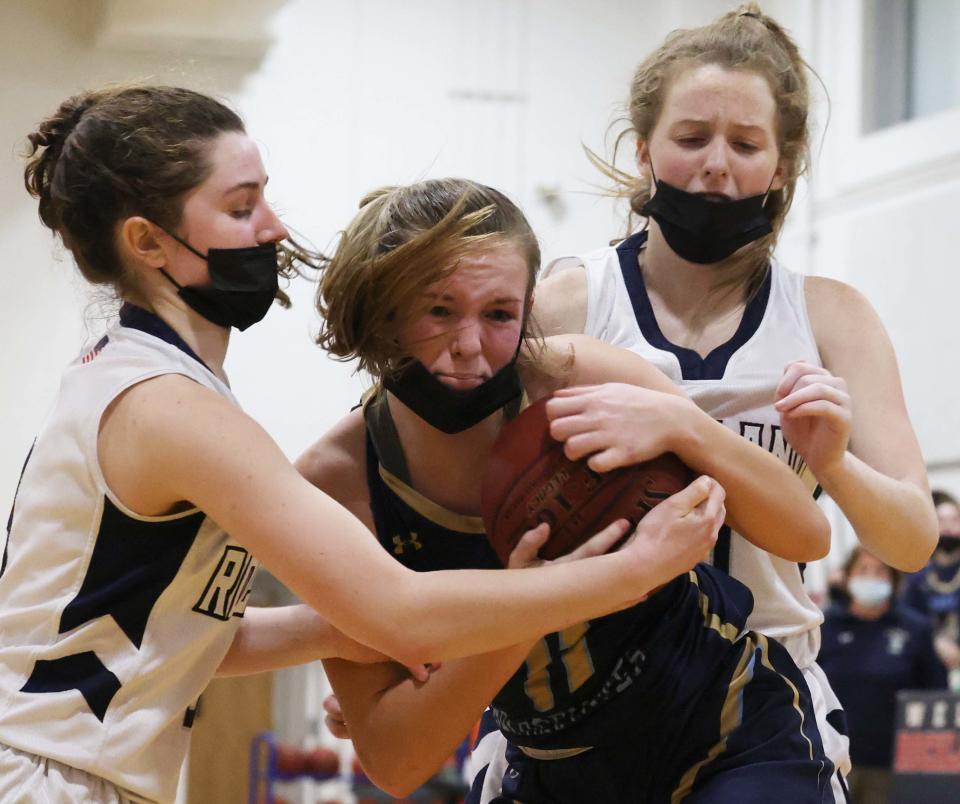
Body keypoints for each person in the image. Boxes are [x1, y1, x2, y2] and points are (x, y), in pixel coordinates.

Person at [0, 87, 724, 804]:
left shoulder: (148, 378)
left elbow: (174, 634)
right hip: (47, 772)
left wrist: (332, 634)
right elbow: (399, 609)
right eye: (241, 206)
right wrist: (633, 570)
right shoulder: (169, 406)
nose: (274, 228)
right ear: (148, 241)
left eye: (266, 199)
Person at [300, 177, 834, 802]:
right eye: (439, 309)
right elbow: (396, 763)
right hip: (552, 764)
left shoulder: (575, 376)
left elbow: (808, 533)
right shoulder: (336, 483)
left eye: (499, 314)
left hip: (722, 725)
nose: (470, 345)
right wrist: (535, 602)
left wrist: (690, 428)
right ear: (381, 310)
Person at [532, 4, 938, 798]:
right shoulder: (569, 301)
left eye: (746, 144)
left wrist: (835, 466)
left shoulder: (831, 316)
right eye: (692, 139)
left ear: (781, 166)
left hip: (761, 684)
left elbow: (914, 539)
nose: (717, 164)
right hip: (582, 676)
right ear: (645, 148)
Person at [819, 547, 946, 803]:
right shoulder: (824, 626)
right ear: (847, 577)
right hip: (831, 762)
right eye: (863, 570)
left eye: (880, 571)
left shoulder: (915, 629)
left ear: (893, 580)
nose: (871, 577)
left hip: (893, 765)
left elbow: (935, 694)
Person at [901, 491, 960, 688]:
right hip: (930, 667)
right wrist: (935, 642)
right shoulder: (916, 577)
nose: (949, 527)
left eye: (955, 520)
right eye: (942, 520)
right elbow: (907, 618)